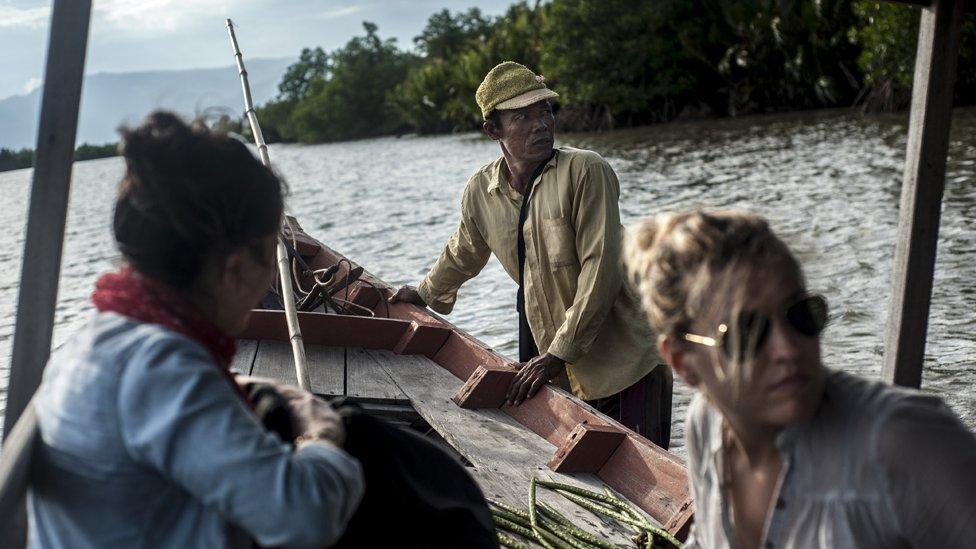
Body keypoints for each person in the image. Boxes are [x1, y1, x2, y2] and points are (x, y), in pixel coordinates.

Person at [28, 112, 364, 548]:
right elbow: (304, 517)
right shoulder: (160, 366)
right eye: (268, 259)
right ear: (236, 268)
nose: (269, 282)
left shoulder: (97, 338)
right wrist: (322, 437)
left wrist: (244, 382)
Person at [622, 210, 976, 548]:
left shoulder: (907, 443)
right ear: (684, 364)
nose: (789, 348)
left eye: (801, 314)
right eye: (748, 332)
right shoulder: (708, 422)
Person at [390, 61, 670, 446]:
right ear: (493, 130)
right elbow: (464, 251)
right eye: (523, 117)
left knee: (645, 480)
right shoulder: (481, 191)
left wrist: (556, 353)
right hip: (557, 366)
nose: (541, 125)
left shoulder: (585, 171)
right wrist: (422, 294)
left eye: (546, 112)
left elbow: (600, 268)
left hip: (624, 362)